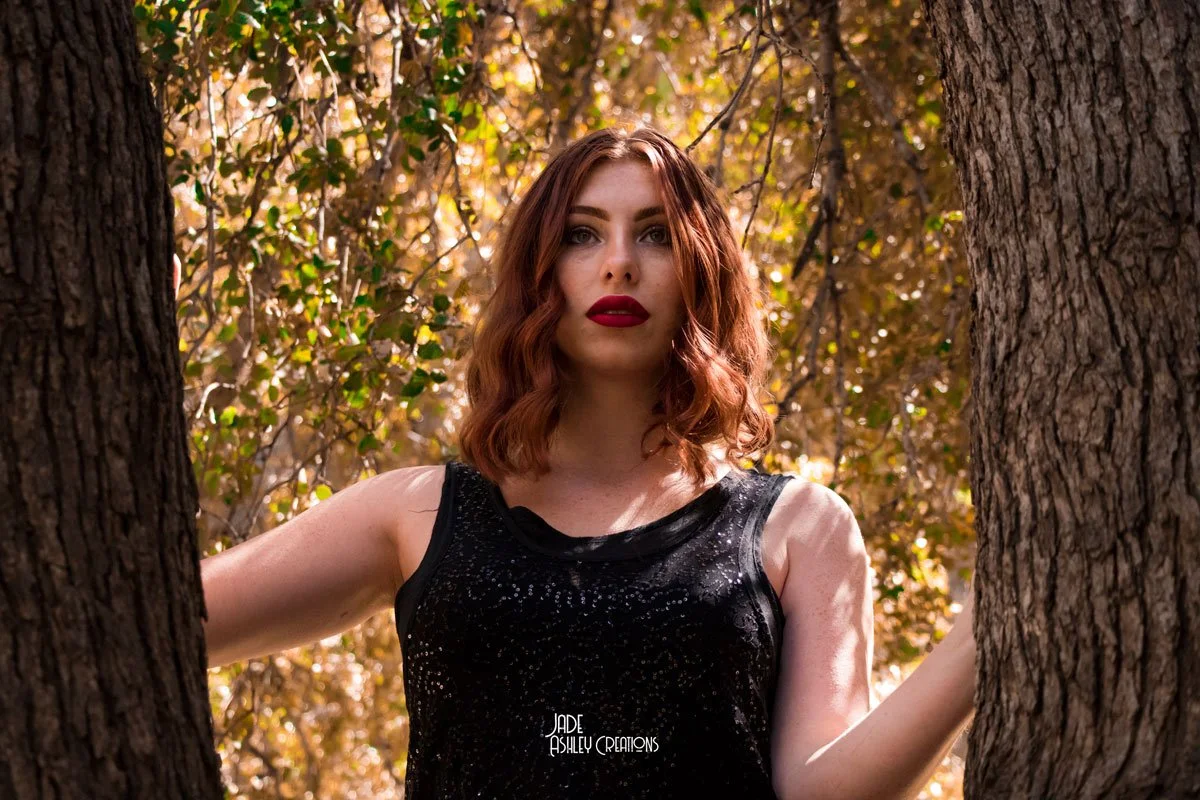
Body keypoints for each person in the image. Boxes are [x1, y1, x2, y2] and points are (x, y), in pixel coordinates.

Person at [201, 125, 976, 799]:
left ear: (702, 268)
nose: (617, 265)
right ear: (540, 269)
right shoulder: (417, 514)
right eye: (581, 233)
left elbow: (823, 791)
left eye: (655, 234)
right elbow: (177, 618)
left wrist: (990, 631)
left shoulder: (800, 528)